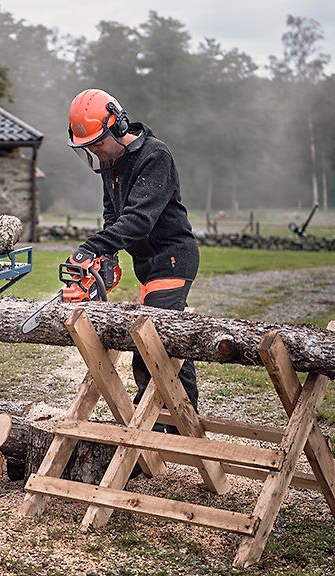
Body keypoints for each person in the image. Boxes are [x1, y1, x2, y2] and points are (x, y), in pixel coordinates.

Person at [67, 88, 200, 415]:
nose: (96, 152)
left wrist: (92, 247)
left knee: (154, 342)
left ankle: (166, 420)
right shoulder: (110, 162)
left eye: (97, 143)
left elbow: (139, 221)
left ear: (119, 126)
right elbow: (113, 215)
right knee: (163, 339)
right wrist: (105, 256)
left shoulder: (155, 157)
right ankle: (171, 418)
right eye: (88, 148)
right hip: (147, 263)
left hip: (171, 259)